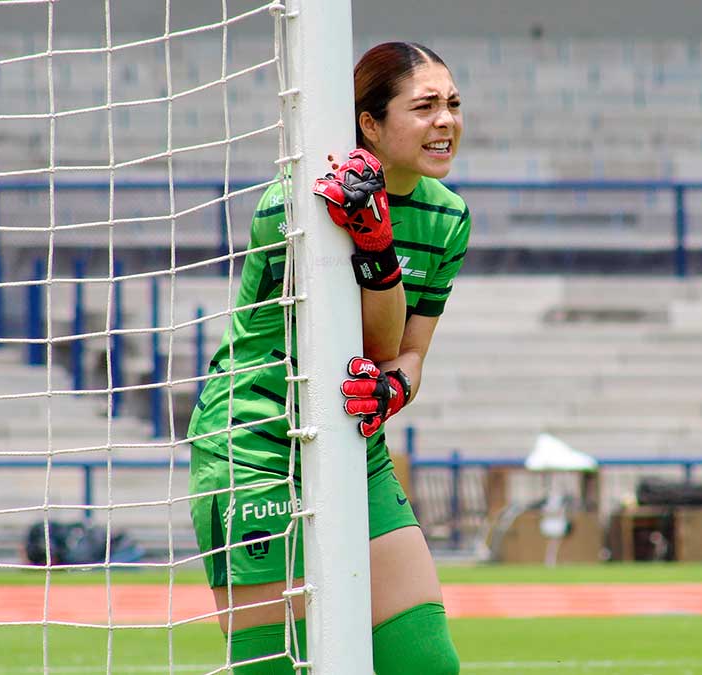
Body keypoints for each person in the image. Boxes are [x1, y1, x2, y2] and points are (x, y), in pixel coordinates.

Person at [186, 41, 468, 674]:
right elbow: (364, 344)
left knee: (426, 663)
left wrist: (397, 389)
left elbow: (403, 356)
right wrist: (374, 244)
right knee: (277, 668)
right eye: (424, 107)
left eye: (452, 104)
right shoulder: (298, 203)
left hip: (349, 441)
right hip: (254, 439)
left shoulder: (449, 217)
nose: (445, 120)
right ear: (369, 122)